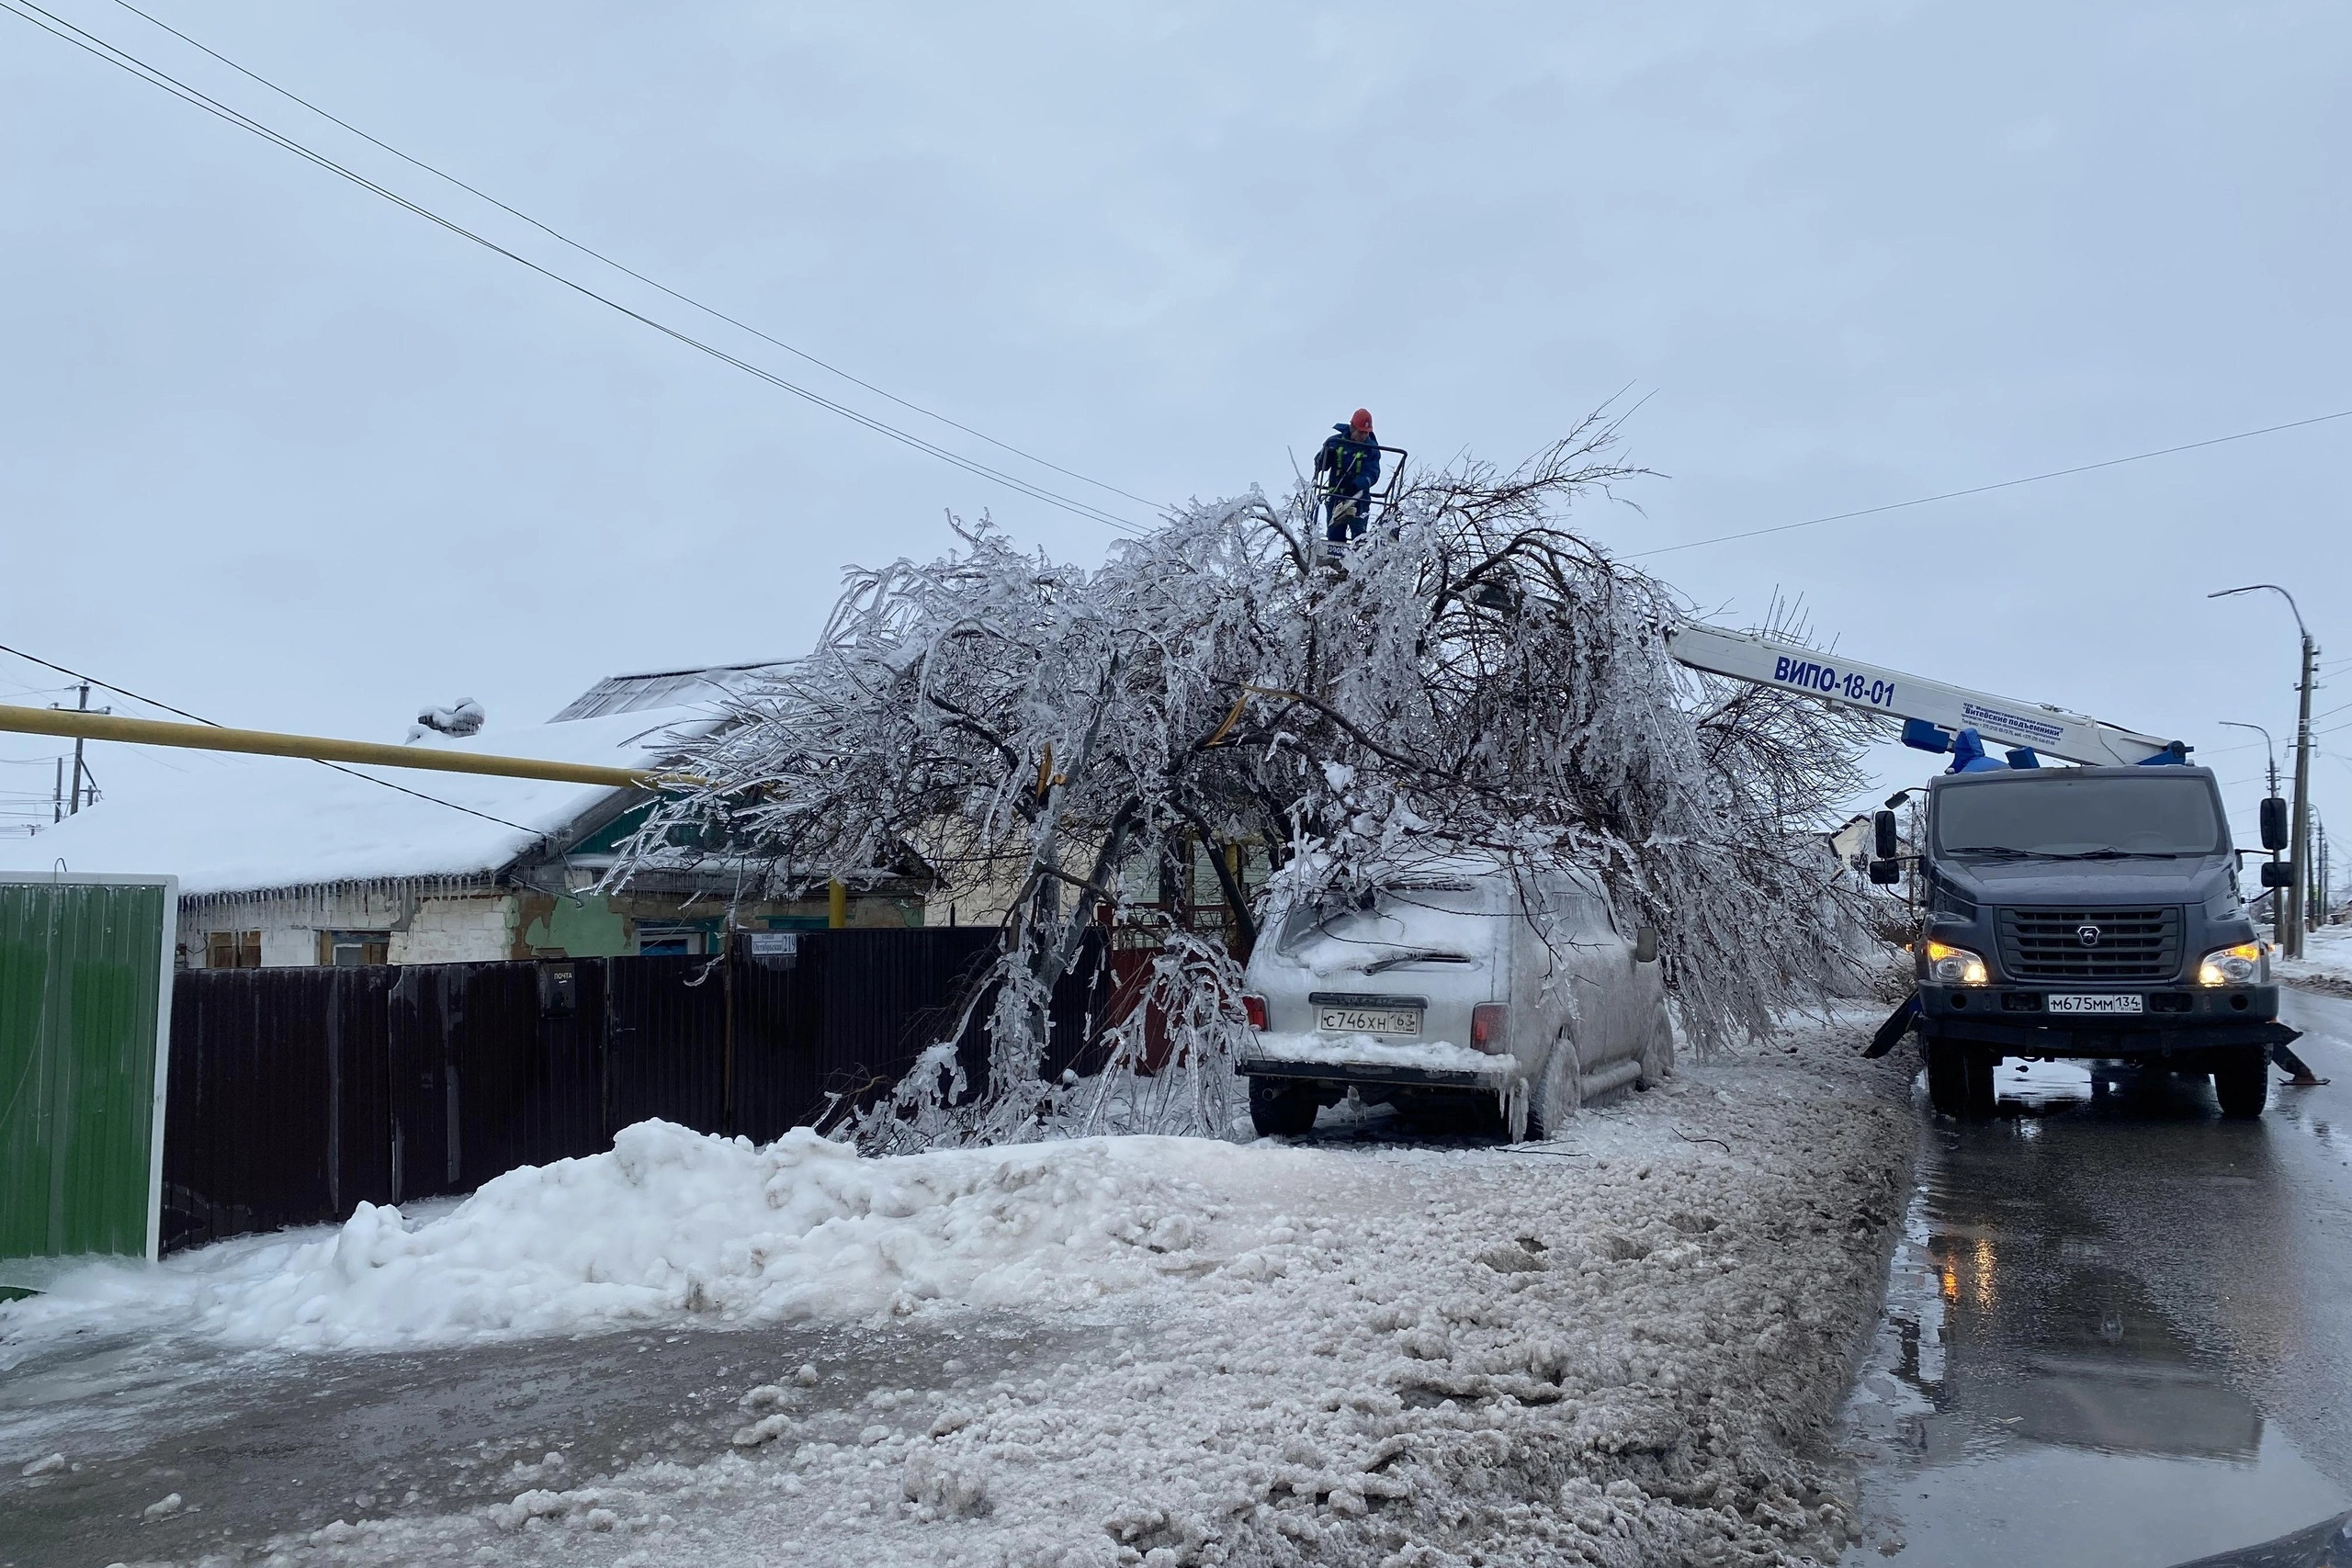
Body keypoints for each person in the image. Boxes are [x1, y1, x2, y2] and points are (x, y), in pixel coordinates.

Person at [1314, 409, 1382, 558]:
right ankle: (1334, 564)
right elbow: (1320, 465)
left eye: (1366, 432)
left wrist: (1357, 484)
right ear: (1352, 428)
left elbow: (1373, 473)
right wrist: (1326, 456)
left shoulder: (1372, 450)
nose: (1364, 435)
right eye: (1361, 432)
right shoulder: (1335, 442)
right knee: (1334, 536)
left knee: (1359, 537)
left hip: (1359, 500)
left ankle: (1358, 562)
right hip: (1335, 497)